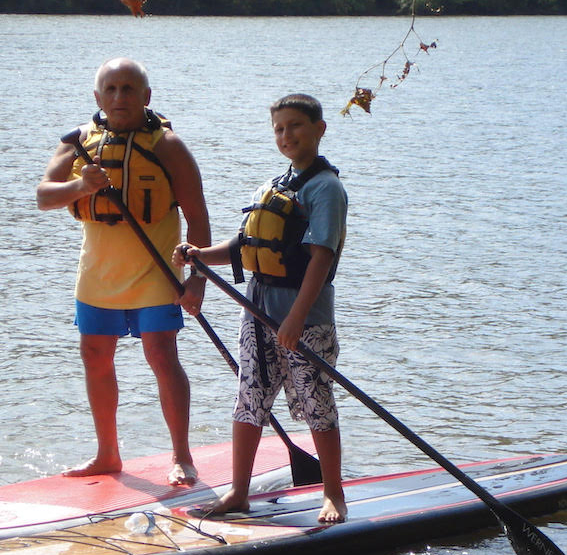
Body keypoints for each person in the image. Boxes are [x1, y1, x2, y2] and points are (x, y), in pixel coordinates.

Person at [174, 93, 348, 523]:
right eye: (279, 129)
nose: (286, 135)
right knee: (250, 395)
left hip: (303, 316)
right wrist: (198, 254)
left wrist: (294, 318)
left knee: (315, 398)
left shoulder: (326, 189)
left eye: (296, 126)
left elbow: (321, 257)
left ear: (319, 130)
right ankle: (238, 491)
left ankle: (334, 495)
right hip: (256, 310)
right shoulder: (275, 186)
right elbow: (244, 248)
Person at [36, 58, 210, 487]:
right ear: (98, 97)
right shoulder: (77, 142)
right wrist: (81, 186)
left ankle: (182, 456)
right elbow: (43, 196)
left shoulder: (168, 146)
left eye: (129, 89)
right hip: (98, 276)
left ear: (146, 97)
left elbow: (199, 218)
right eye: (111, 89)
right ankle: (107, 454)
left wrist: (197, 281)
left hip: (156, 274)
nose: (119, 97)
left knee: (161, 357)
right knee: (95, 359)